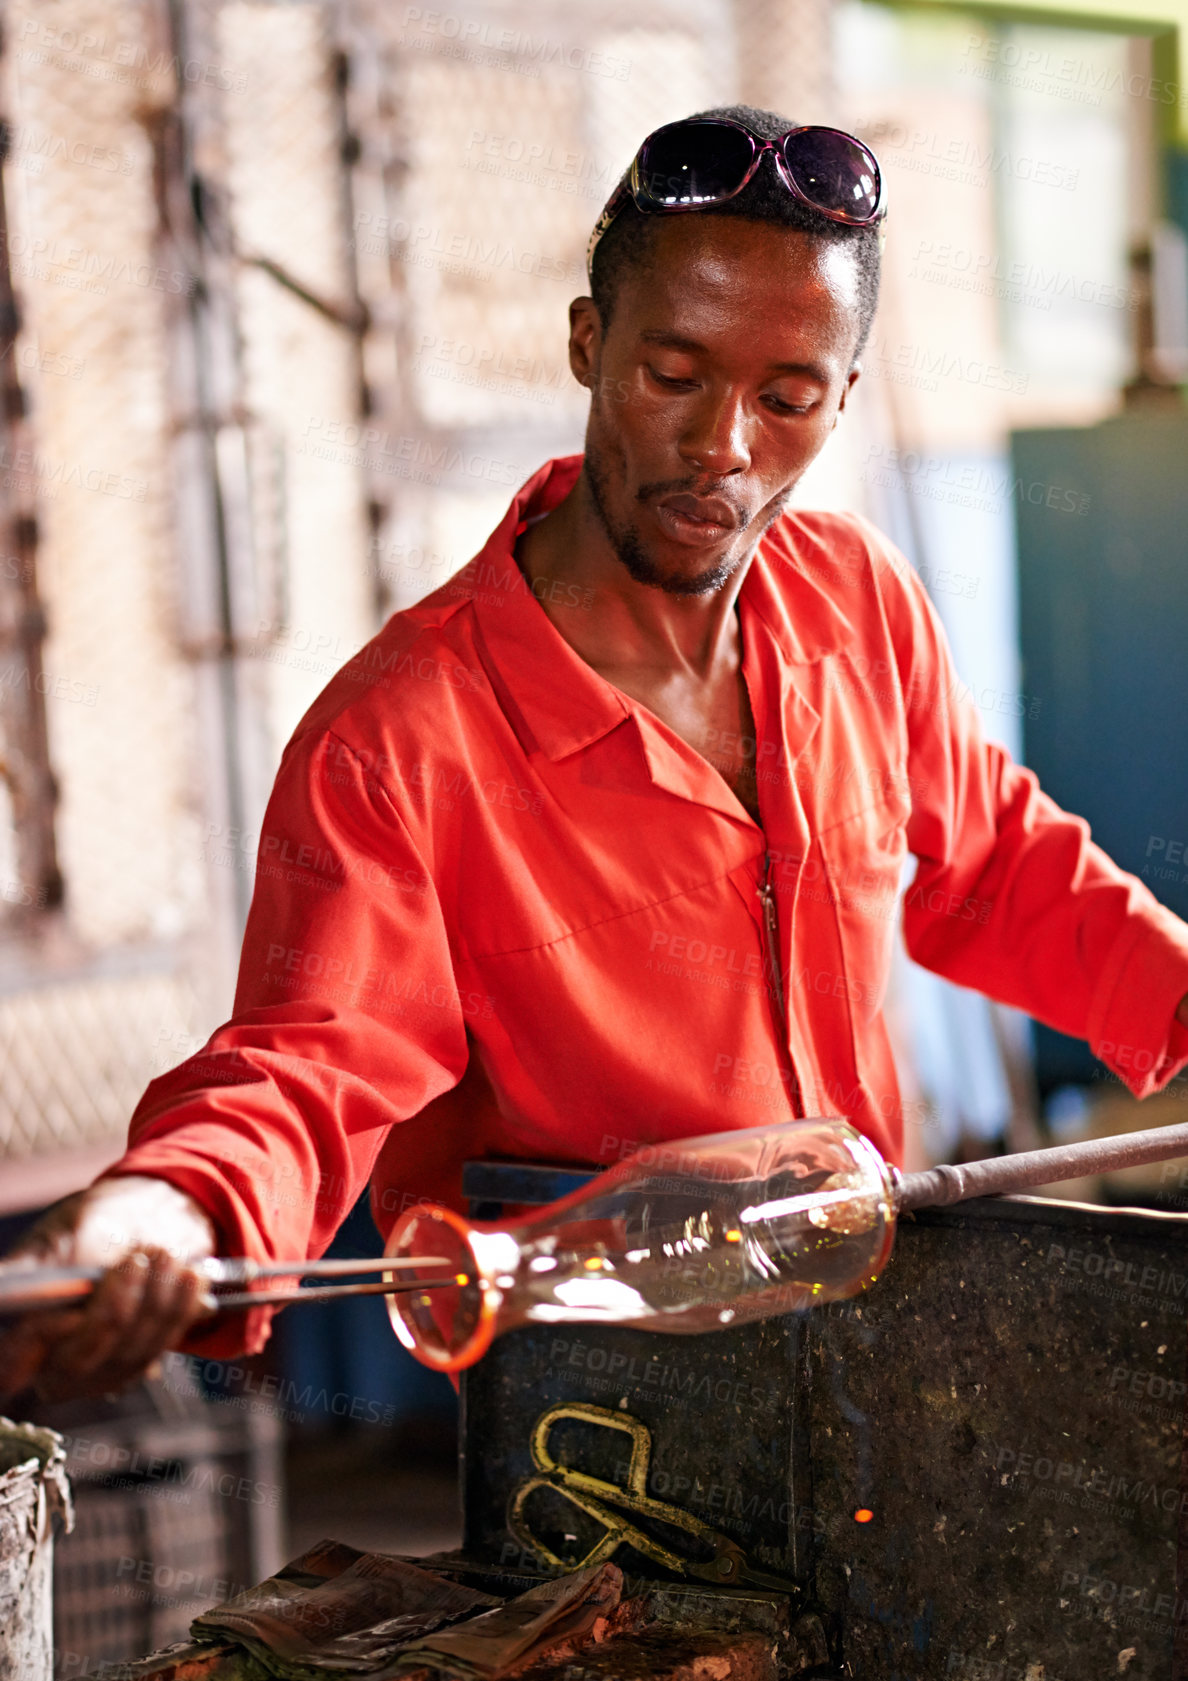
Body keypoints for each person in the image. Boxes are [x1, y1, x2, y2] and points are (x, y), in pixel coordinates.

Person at [4, 105, 1187, 1402]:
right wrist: (170, 1208)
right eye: (672, 375)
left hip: (863, 1351)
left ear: (843, 399)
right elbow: (306, 1059)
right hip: (592, 1420)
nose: (723, 446)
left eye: (786, 397)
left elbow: (1000, 863)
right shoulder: (401, 737)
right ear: (589, 343)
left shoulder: (856, 599)